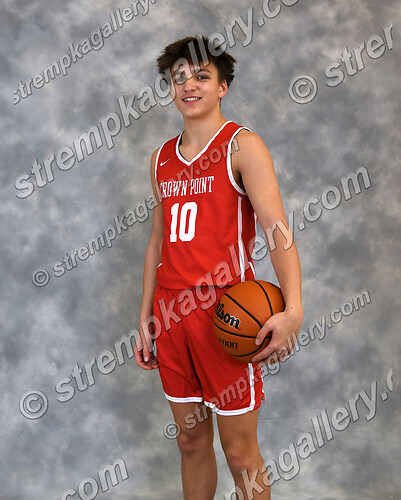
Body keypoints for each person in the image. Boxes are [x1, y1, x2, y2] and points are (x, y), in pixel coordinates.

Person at [134, 35, 304, 500]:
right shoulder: (161, 159)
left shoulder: (242, 146)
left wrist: (293, 310)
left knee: (239, 452)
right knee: (190, 443)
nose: (188, 85)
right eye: (179, 78)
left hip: (225, 313)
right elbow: (157, 242)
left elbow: (277, 232)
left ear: (222, 86)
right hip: (171, 315)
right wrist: (145, 317)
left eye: (201, 76)